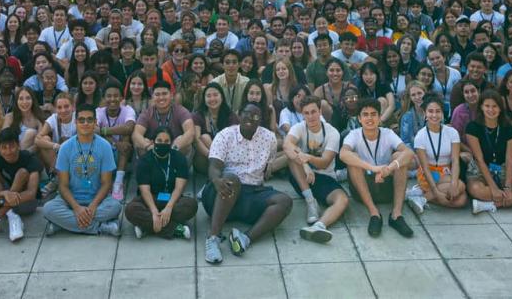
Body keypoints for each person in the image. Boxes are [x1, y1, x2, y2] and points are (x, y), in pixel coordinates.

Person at [202, 102, 291, 263]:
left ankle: (244, 238)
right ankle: (213, 238)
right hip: (222, 192)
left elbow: (267, 168)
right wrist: (216, 180)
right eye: (247, 114)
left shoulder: (269, 138)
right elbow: (214, 166)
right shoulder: (225, 135)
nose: (250, 118)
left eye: (256, 116)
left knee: (284, 201)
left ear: (261, 120)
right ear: (239, 114)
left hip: (252, 193)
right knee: (232, 180)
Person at [339, 98, 417, 237]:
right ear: (359, 118)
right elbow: (343, 154)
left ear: (380, 117)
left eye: (373, 114)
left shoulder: (387, 133)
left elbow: (409, 153)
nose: (370, 118)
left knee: (399, 157)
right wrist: (373, 168)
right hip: (363, 186)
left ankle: (396, 215)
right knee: (353, 159)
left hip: (387, 186)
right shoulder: (354, 134)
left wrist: (389, 168)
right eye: (365, 114)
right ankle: (374, 214)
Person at [43, 106, 122, 236]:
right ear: (76, 122)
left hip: (97, 199)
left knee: (115, 207)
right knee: (48, 209)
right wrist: (76, 208)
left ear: (95, 122)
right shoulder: (65, 148)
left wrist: (92, 206)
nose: (85, 123)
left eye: (89, 120)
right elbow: (62, 186)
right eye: (81, 120)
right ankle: (101, 227)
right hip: (71, 200)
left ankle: (62, 225)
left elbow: (106, 183)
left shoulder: (105, 146)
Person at [283, 95, 349, 244]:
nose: (310, 116)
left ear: (320, 111)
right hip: (303, 178)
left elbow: (325, 162)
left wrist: (309, 159)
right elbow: (287, 145)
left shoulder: (332, 133)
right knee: (291, 157)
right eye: (306, 113)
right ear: (302, 114)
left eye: (313, 112)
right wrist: (306, 165)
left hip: (325, 177)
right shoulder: (299, 127)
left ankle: (319, 226)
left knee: (343, 200)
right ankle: (311, 202)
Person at [463, 91, 512, 215]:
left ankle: (488, 205)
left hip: (503, 170)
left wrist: (508, 187)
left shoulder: (509, 128)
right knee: (475, 189)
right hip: (480, 172)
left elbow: (510, 160)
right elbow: (479, 159)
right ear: (481, 107)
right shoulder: (472, 127)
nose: (491, 110)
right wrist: (493, 188)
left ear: (500, 108)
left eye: (495, 106)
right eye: (487, 106)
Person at [126, 125, 198, 239]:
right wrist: (154, 211)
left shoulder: (179, 158)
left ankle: (145, 226)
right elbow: (145, 191)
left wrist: (169, 207)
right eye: (159, 141)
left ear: (171, 142)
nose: (162, 144)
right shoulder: (145, 160)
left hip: (171, 199)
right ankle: (176, 229)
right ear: (153, 142)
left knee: (191, 205)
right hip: (150, 199)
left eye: (166, 141)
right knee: (130, 209)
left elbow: (179, 188)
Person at [412, 97, 468, 211]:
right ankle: (428, 194)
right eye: (430, 111)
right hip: (428, 175)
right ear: (425, 113)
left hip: (445, 173)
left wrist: (453, 183)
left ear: (442, 113)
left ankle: (423, 197)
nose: (434, 115)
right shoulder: (420, 136)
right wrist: (436, 192)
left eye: (438, 111)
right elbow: (424, 167)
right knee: (461, 186)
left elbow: (455, 161)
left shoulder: (452, 132)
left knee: (462, 200)